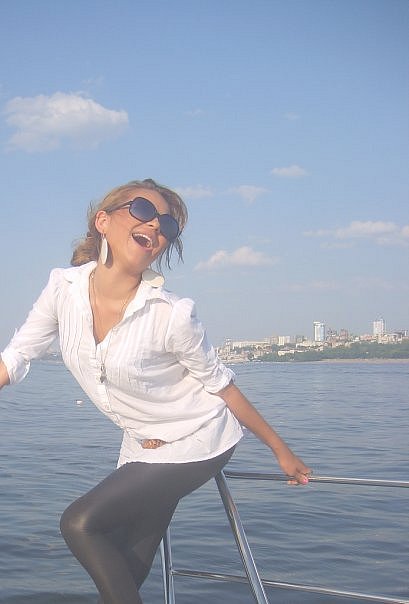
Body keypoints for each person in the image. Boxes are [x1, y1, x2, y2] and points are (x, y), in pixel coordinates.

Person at [0, 178, 311, 604]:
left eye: (167, 225)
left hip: (197, 441)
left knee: (80, 524)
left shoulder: (172, 314)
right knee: (127, 568)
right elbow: (17, 354)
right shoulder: (62, 289)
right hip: (141, 444)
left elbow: (222, 387)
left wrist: (281, 451)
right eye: (144, 211)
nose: (156, 226)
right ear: (103, 221)